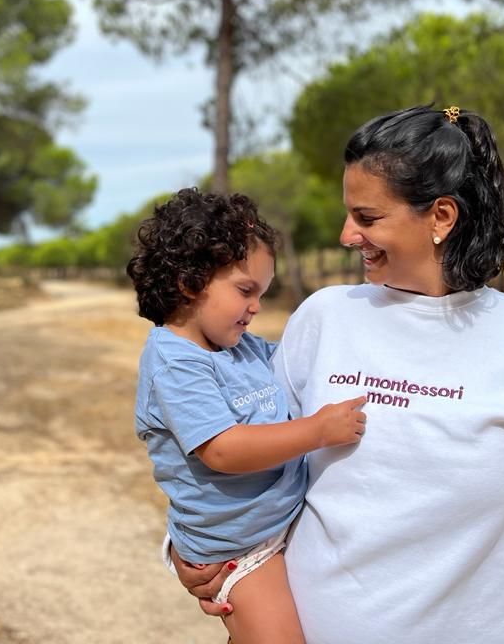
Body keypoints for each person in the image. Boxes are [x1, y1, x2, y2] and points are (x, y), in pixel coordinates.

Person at [170, 105, 504, 643]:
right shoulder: (322, 318)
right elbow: (236, 446)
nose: (346, 234)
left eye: (367, 217)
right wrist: (189, 548)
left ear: (441, 218)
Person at [129, 188, 367, 644]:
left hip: (278, 526)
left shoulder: (243, 349)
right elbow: (223, 449)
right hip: (240, 548)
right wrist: (318, 431)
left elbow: (302, 369)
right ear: (190, 282)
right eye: (246, 290)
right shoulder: (175, 360)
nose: (256, 306)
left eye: (262, 293)